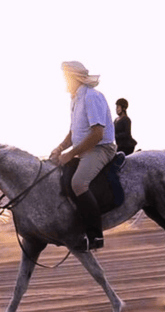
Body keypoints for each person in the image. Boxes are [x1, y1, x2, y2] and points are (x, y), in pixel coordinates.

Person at [50, 61, 117, 252]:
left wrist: (70, 154)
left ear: (74, 78)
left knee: (78, 183)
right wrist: (61, 147)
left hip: (100, 149)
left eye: (65, 78)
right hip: (85, 149)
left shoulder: (91, 97)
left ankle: (95, 236)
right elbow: (74, 131)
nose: (64, 82)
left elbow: (97, 134)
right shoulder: (75, 99)